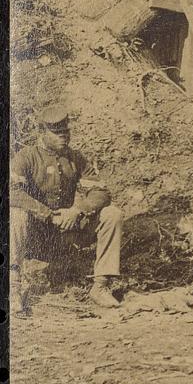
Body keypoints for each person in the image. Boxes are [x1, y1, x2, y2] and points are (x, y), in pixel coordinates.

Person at [9, 104, 124, 315]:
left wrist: (77, 210)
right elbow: (12, 191)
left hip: (68, 232)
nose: (64, 137)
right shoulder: (27, 157)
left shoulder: (76, 158)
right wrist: (47, 214)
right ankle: (13, 288)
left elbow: (101, 192)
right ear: (42, 133)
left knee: (111, 214)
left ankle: (100, 286)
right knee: (15, 214)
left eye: (66, 132)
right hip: (37, 236)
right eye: (57, 133)